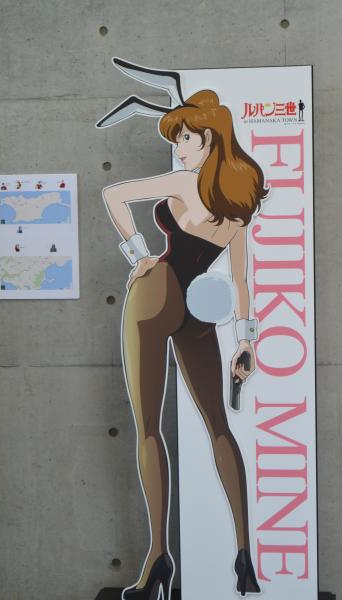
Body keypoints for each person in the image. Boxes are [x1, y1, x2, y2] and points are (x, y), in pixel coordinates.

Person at [102, 89, 268, 600]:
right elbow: (240, 280)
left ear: (209, 139)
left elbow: (113, 195)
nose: (178, 149)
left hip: (156, 293)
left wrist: (139, 255)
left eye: (185, 139)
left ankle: (158, 557)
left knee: (148, 429)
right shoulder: (237, 208)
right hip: (198, 309)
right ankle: (244, 555)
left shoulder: (183, 183)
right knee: (218, 425)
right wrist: (245, 343)